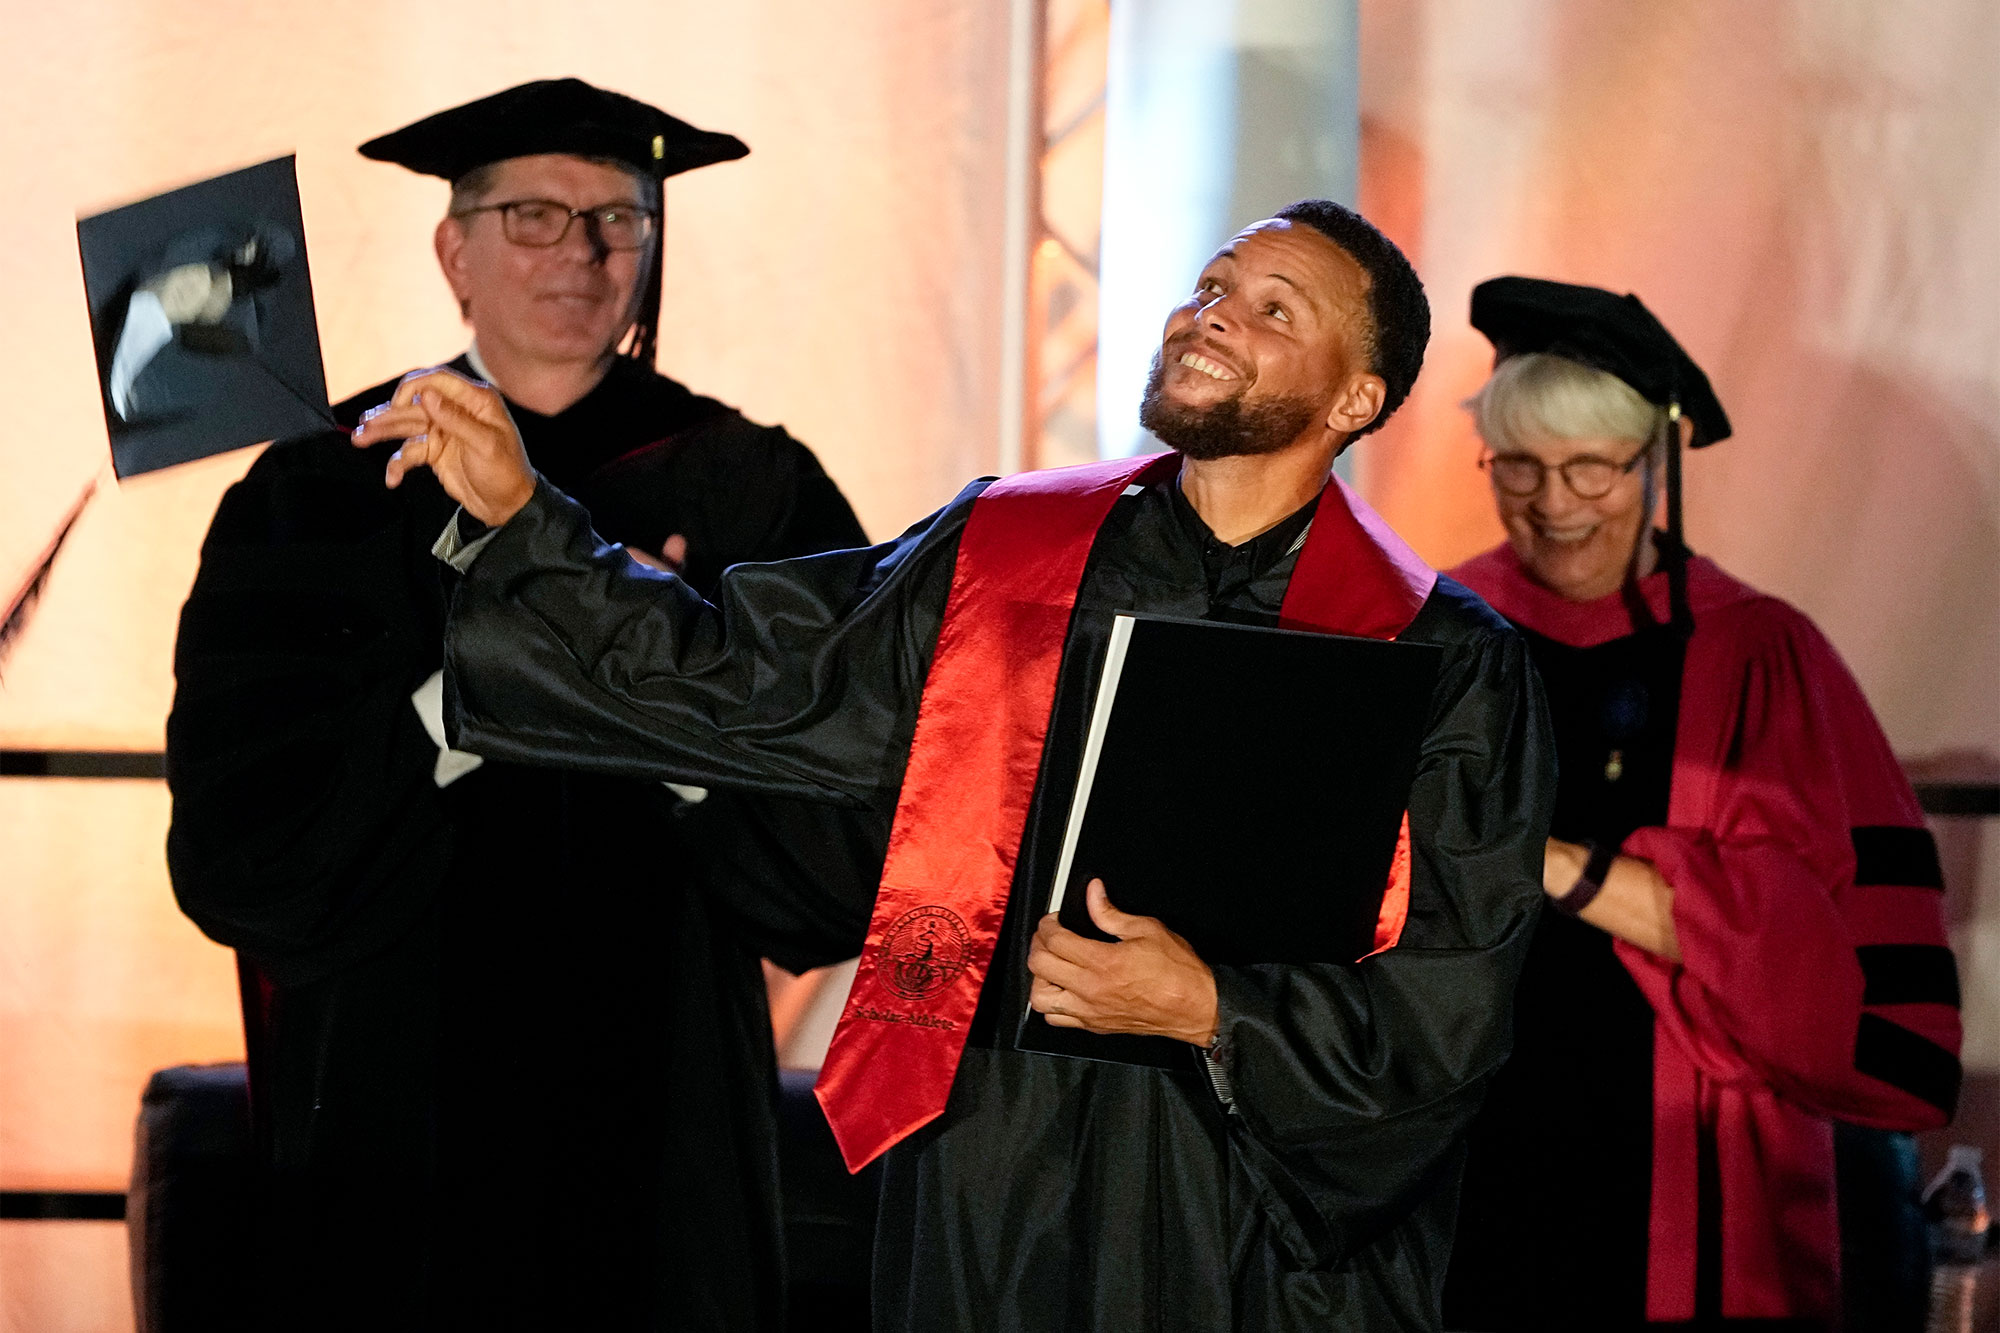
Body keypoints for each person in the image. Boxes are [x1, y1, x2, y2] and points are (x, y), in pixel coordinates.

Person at [352, 198, 1558, 1332]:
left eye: (1272, 307)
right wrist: (531, 523)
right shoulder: (1010, 549)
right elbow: (754, 672)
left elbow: (1451, 999)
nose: (1213, 313)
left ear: (1356, 397)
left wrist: (1209, 1008)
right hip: (994, 1160)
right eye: (1209, 286)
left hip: (1246, 1199)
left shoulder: (1439, 661)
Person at [166, 79, 869, 1330]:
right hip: (395, 1122)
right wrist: (465, 700)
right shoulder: (322, 486)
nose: (584, 252)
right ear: (455, 251)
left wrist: (662, 690)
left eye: (619, 219)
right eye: (534, 215)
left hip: (666, 1131)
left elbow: (844, 851)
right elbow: (238, 852)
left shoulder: (751, 489)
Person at [1438, 278, 1964, 1330]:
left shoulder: (1760, 654)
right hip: (1456, 1131)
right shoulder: (1437, 630)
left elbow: (1808, 962)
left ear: (1654, 462)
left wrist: (1559, 863)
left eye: (1590, 467)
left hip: (1678, 1152)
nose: (1552, 502)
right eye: (1520, 469)